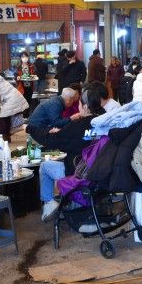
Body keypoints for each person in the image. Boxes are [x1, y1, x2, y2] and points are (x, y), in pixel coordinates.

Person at [39, 85, 106, 221]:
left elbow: (56, 141)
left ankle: (49, 204)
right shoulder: (105, 122)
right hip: (101, 172)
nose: (78, 105)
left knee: (45, 167)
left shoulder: (77, 125)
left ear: (86, 107)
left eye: (80, 103)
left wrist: (46, 132)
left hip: (77, 172)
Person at [0, 73, 29, 142]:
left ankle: (4, 137)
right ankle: (7, 136)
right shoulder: (3, 82)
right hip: (17, 99)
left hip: (12, 101)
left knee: (2, 118)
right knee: (6, 118)